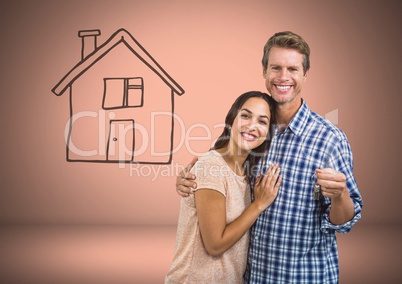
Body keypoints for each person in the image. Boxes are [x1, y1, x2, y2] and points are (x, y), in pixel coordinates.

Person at [176, 31, 363, 283]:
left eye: (293, 69)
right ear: (264, 72)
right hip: (252, 277)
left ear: (305, 75)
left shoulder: (330, 139)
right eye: (276, 67)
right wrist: (190, 184)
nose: (283, 77)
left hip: (304, 277)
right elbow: (222, 178)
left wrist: (340, 196)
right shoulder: (254, 136)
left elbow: (344, 222)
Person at [165, 91, 282, 283]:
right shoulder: (213, 167)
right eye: (245, 115)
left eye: (262, 121)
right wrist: (258, 205)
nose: (252, 126)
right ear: (231, 120)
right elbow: (215, 245)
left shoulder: (246, 172)